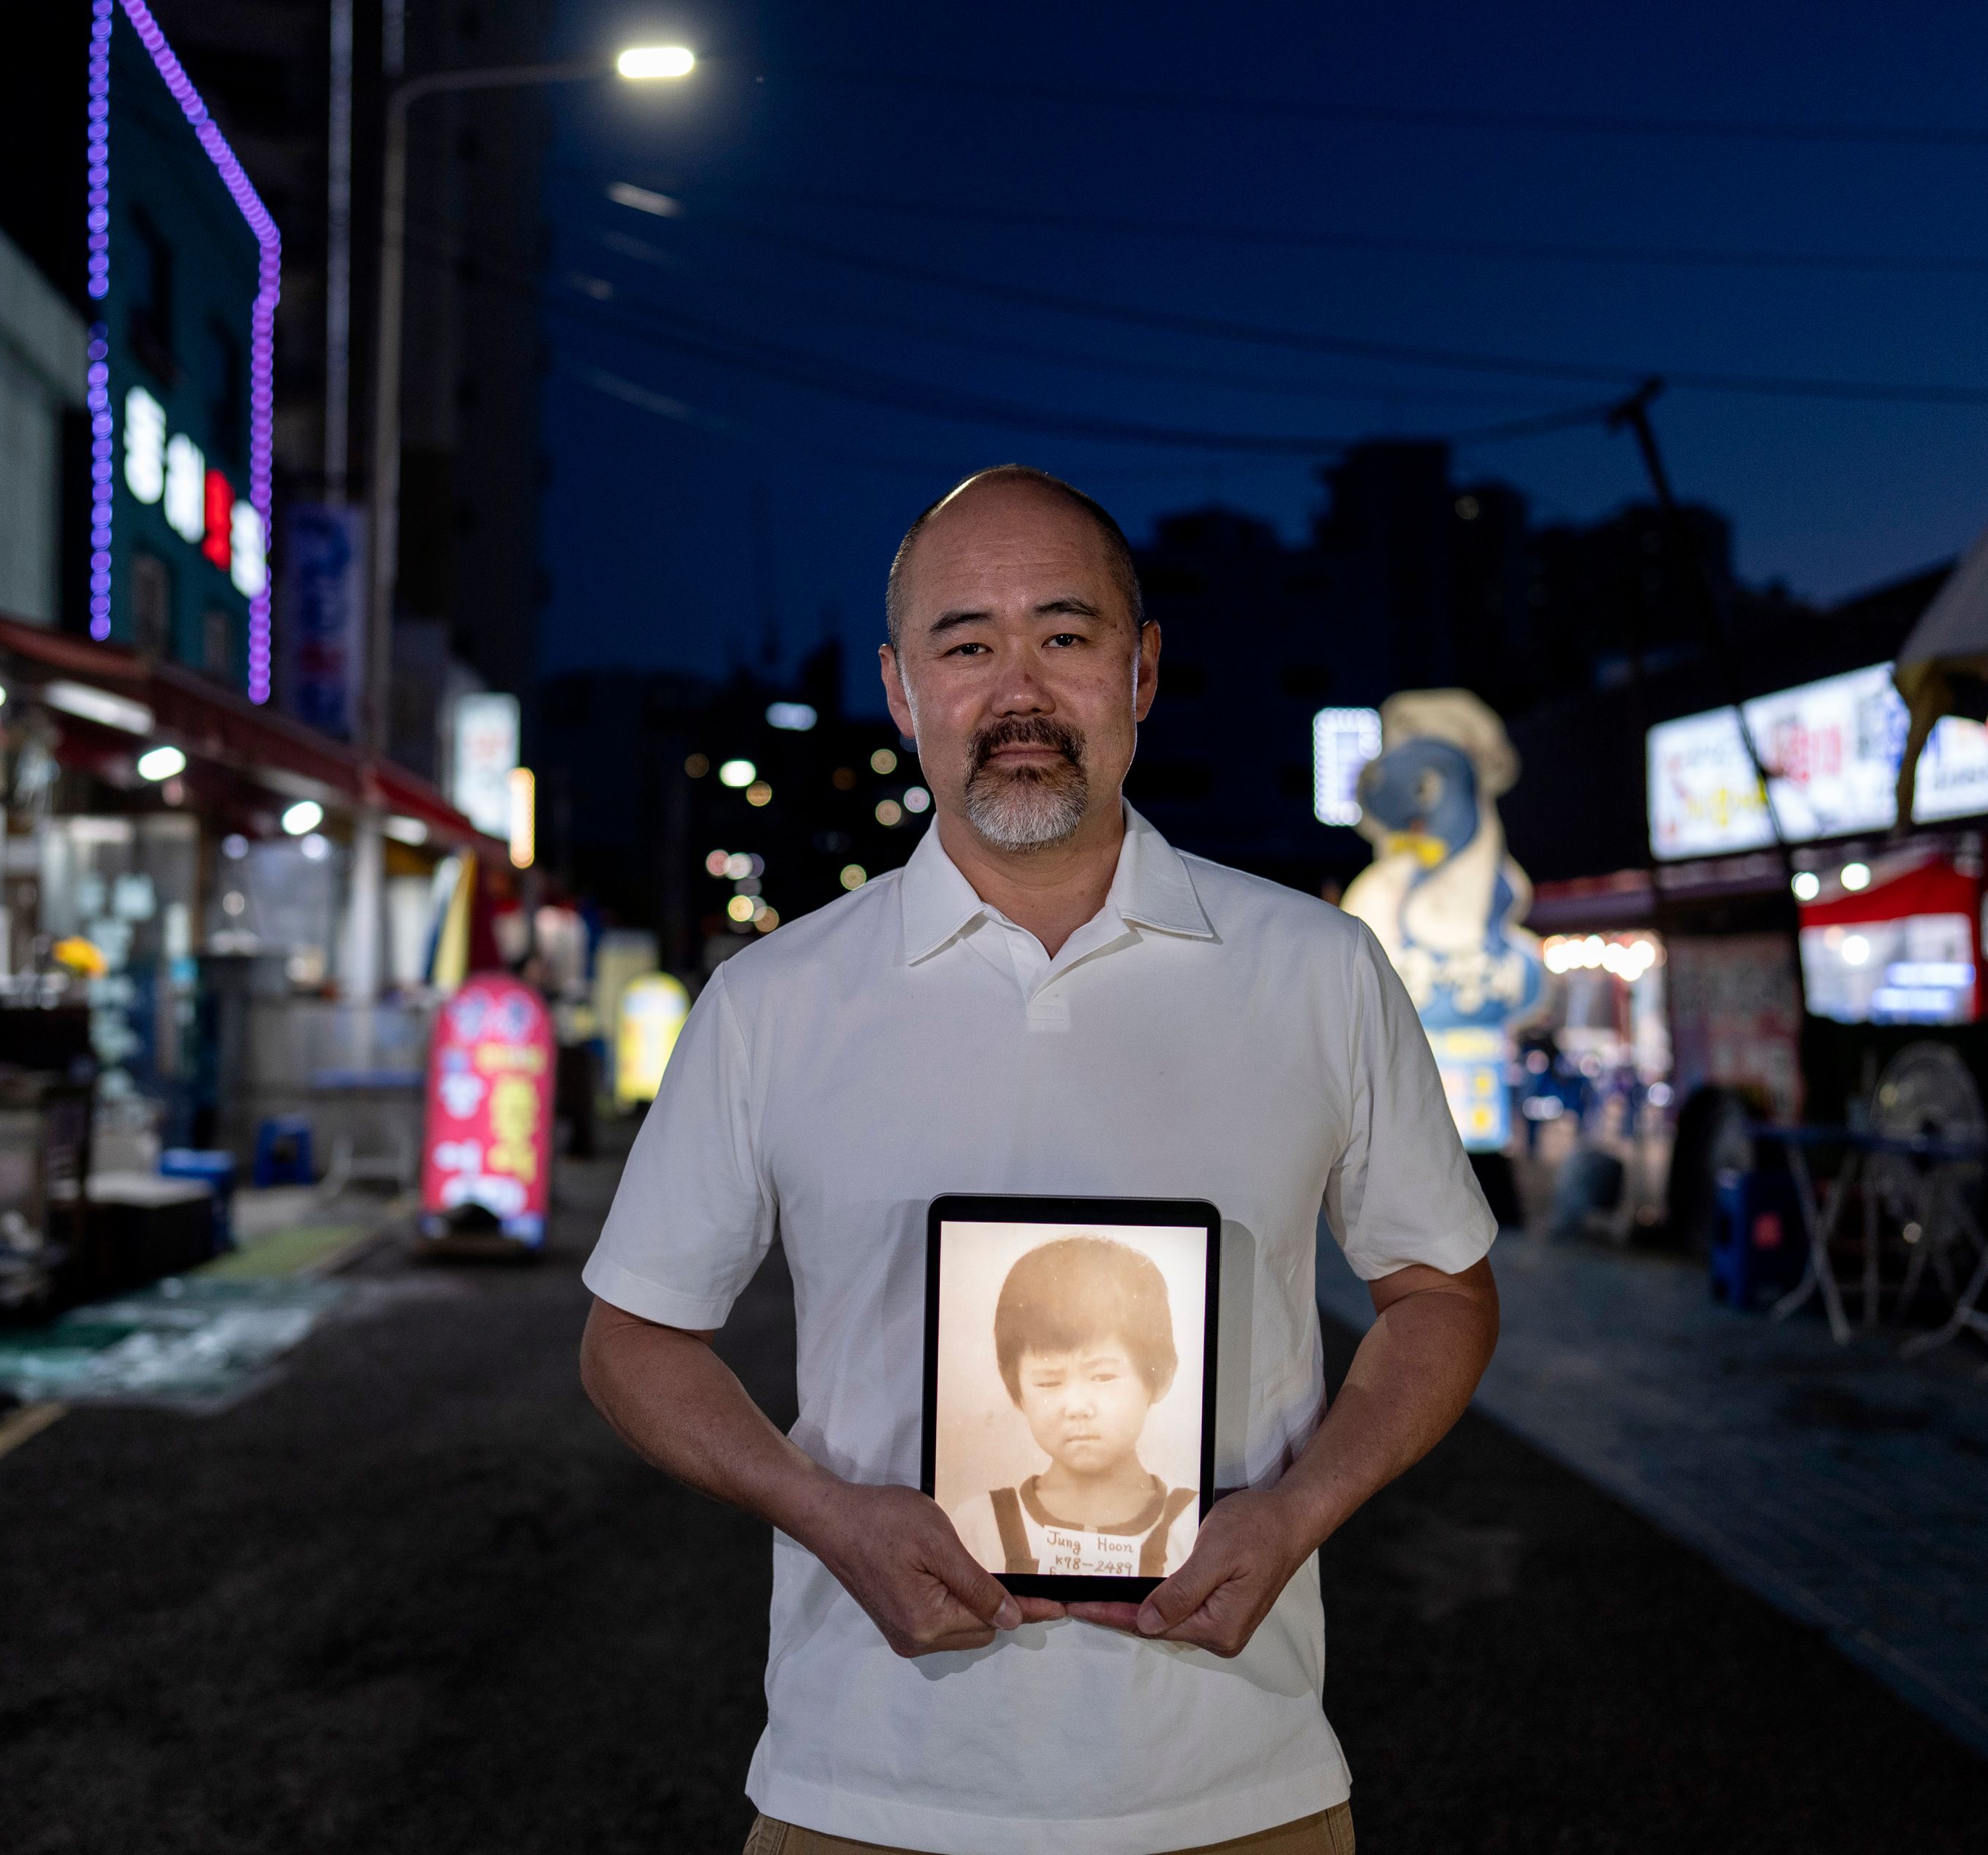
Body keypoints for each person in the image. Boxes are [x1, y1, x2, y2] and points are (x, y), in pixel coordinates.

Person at [581, 464, 1500, 1855]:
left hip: (1236, 1787)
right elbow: (631, 1336)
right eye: (966, 644)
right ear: (901, 692)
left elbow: (1442, 1291)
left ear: (1140, 675)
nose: (1018, 689)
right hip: (863, 1786)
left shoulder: (1317, 971)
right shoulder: (776, 997)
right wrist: (822, 1510)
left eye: (1065, 637)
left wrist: (1303, 1507)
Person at [947, 1235, 1200, 1580]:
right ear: (1018, 1392)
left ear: (1159, 1377)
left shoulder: (1196, 1526)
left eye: (1103, 1376)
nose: (1077, 1407)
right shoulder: (978, 1525)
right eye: (1050, 1383)